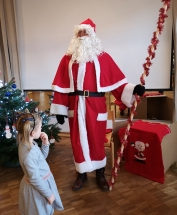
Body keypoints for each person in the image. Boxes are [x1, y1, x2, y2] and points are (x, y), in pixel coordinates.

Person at [50, 18, 145, 191]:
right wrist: (60, 110)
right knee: (77, 141)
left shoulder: (103, 58)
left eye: (85, 32)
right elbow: (61, 86)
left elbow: (117, 84)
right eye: (79, 32)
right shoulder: (67, 59)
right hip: (75, 105)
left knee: (96, 139)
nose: (82, 35)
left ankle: (100, 174)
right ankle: (81, 174)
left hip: (96, 104)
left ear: (92, 35)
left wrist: (133, 89)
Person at [16, 112, 64, 215]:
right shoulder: (29, 153)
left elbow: (41, 158)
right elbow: (35, 179)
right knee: (41, 211)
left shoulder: (26, 143)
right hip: (38, 189)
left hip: (40, 183)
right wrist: (49, 194)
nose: (41, 130)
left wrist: (45, 144)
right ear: (32, 133)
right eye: (40, 128)